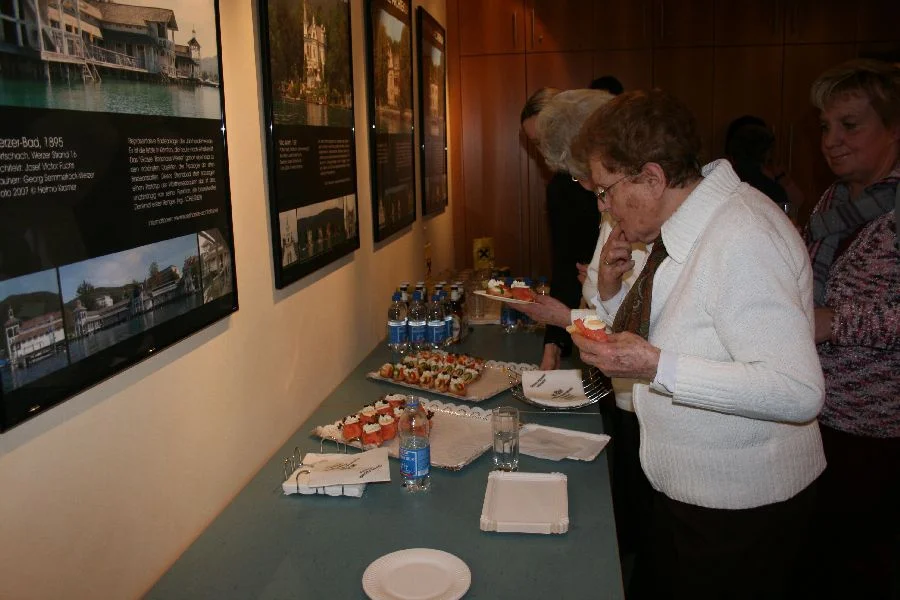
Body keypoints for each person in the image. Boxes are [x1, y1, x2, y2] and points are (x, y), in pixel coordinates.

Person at [568, 89, 826, 599]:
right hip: (685, 491)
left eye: (606, 190)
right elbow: (689, 334)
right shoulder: (683, 227)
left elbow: (798, 389)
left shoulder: (740, 234)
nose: (604, 206)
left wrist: (655, 365)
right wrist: (613, 294)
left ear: (652, 178)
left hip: (741, 506)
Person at [802, 58, 899, 599]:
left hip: (875, 423)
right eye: (825, 127)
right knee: (818, 557)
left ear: (894, 129)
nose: (832, 141)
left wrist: (836, 322)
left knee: (858, 566)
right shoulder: (834, 200)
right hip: (820, 409)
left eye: (851, 125)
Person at [520, 87, 603, 370]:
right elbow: (566, 265)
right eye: (537, 144)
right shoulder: (561, 188)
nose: (545, 154)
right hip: (596, 320)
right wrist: (553, 345)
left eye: (546, 141)